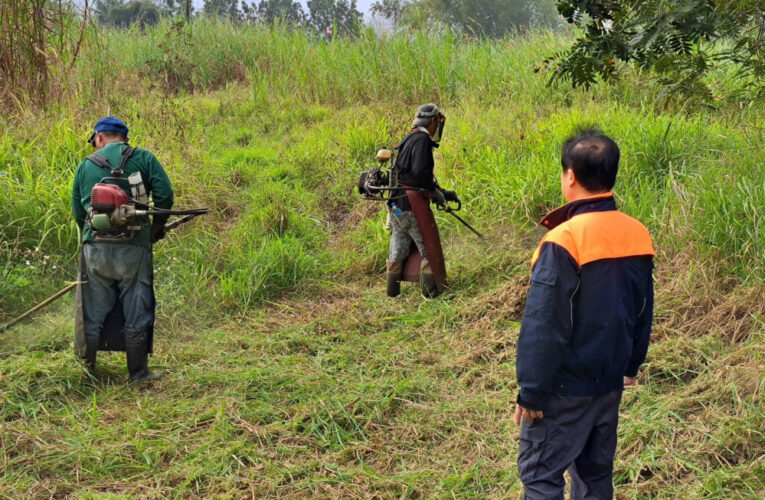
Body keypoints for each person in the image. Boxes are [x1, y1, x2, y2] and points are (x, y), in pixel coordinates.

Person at [514, 129, 655, 499]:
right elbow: (643, 308)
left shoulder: (565, 238)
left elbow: (545, 323)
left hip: (564, 388)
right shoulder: (637, 233)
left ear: (570, 177)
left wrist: (531, 391)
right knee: (595, 477)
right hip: (609, 382)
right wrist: (631, 365)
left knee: (541, 476)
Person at [71, 116, 174, 382]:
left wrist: (93, 236)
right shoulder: (145, 159)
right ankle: (138, 373)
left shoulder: (85, 166)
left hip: (95, 249)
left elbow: (76, 211)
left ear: (100, 137)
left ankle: (87, 372)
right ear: (124, 138)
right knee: (137, 307)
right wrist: (155, 229)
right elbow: (164, 197)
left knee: (90, 311)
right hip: (134, 248)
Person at [385, 103, 458, 298]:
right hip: (411, 204)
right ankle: (432, 294)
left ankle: (392, 294)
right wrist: (433, 193)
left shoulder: (409, 137)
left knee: (398, 248)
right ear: (433, 121)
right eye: (437, 122)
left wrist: (442, 191)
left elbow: (410, 175)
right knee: (428, 247)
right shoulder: (423, 140)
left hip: (396, 205)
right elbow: (420, 174)